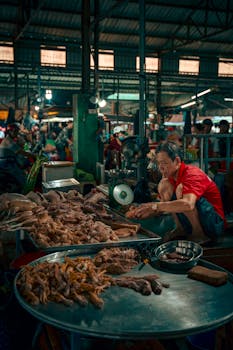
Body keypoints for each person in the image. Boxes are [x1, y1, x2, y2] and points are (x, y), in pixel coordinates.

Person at [127, 141, 226, 245]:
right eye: (159, 163)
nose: (160, 167)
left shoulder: (192, 173)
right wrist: (142, 210)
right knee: (164, 184)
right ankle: (180, 228)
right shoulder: (171, 177)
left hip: (214, 223)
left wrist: (154, 206)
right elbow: (163, 207)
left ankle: (199, 235)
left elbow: (187, 204)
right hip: (199, 218)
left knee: (180, 190)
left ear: (177, 161)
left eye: (164, 163)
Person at [0, 123, 36, 192]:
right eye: (15, 131)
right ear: (10, 132)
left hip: (8, 162)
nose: (16, 133)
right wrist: (34, 156)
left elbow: (23, 149)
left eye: (17, 131)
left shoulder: (11, 140)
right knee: (22, 178)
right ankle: (24, 192)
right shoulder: (8, 141)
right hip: (6, 164)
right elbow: (22, 152)